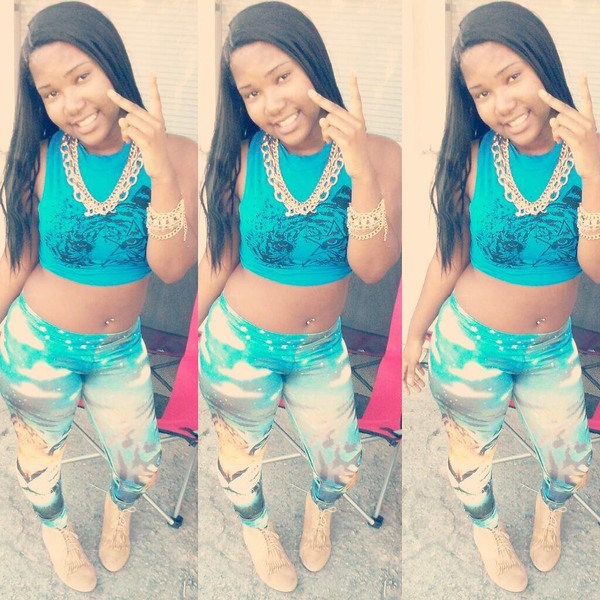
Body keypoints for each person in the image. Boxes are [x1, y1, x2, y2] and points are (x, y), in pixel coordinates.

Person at [199, 1, 401, 592]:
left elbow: (372, 268)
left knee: (340, 463)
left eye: (282, 77)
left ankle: (319, 515)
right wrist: (190, 327)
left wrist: (361, 171)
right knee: (239, 466)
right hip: (238, 341)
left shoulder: (381, 154)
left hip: (319, 349)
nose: (271, 103)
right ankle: (258, 532)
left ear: (314, 64)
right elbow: (221, 253)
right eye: (252, 93)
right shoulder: (242, 158)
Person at [0, 1, 197, 593]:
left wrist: (161, 170)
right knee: (38, 465)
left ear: (113, 65)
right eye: (51, 93)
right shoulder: (40, 158)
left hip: (118, 350)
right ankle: (57, 532)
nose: (70, 103)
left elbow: (171, 267)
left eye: (81, 77)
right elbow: (18, 256)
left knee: (140, 462)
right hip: (37, 343)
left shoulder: (178, 155)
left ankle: (118, 514)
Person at [402, 0, 597, 593]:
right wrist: (415, 330)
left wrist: (594, 173)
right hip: (469, 344)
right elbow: (450, 253)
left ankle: (548, 512)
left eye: (512, 77)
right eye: (482, 93)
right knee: (469, 464)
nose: (502, 104)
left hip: (549, 349)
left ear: (544, 66)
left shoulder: (590, 154)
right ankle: (488, 531)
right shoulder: (475, 156)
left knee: (570, 462)